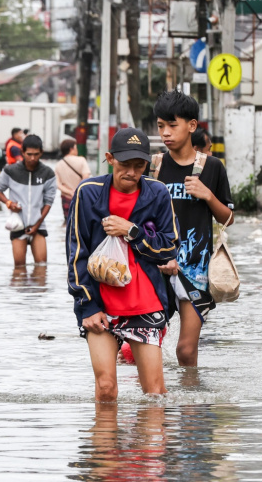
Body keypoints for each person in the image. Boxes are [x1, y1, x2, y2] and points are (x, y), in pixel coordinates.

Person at [67, 128, 179, 399]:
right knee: (106, 389)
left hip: (145, 303)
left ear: (147, 165)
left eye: (138, 166)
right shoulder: (88, 193)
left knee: (154, 393)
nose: (131, 172)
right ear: (109, 158)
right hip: (101, 304)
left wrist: (133, 231)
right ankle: (106, 442)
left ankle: (148, 442)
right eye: (124, 164)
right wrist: (87, 306)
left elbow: (170, 246)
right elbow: (76, 254)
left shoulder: (158, 193)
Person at [152, 90, 233, 367]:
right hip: (157, 266)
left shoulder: (212, 167)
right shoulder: (154, 167)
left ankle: (191, 407)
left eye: (172, 125)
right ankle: (152, 406)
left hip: (195, 270)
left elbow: (228, 219)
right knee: (141, 347)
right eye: (161, 125)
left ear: (192, 125)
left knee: (185, 351)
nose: (165, 132)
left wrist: (208, 195)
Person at [0, 134, 57, 267]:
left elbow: (48, 202)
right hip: (18, 225)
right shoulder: (11, 171)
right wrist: (9, 203)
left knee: (42, 268)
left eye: (36, 154)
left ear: (41, 153)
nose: (32, 158)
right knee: (19, 269)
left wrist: (37, 224)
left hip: (38, 226)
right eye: (29, 154)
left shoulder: (47, 173)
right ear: (22, 152)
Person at [54, 138, 91, 220]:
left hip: (66, 197)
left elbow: (57, 184)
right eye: (76, 147)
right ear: (71, 149)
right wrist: (77, 190)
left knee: (68, 221)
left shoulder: (59, 164)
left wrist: (70, 192)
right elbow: (86, 177)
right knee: (81, 221)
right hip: (80, 196)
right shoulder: (81, 160)